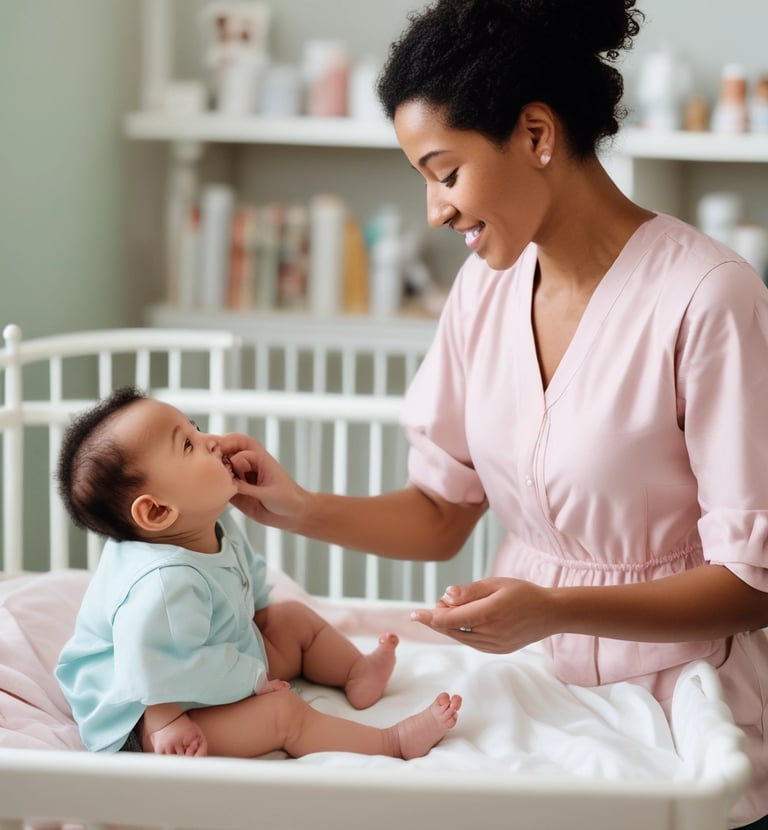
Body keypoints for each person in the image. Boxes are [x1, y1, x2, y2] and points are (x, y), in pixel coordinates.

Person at [217, 0, 768, 826]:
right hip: (532, 698)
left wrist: (555, 607)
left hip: (683, 715)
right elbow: (443, 511)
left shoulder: (708, 299)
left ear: (537, 135)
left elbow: (749, 585)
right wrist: (294, 508)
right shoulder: (486, 287)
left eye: (445, 172)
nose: (435, 211)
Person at [54, 386, 461, 760]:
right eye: (188, 445)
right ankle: (393, 743)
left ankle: (357, 670)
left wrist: (264, 627)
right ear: (158, 511)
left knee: (290, 619)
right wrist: (172, 718)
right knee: (281, 714)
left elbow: (245, 578)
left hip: (200, 659)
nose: (211, 440)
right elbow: (147, 664)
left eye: (195, 428)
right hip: (146, 712)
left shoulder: (209, 524)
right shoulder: (162, 583)